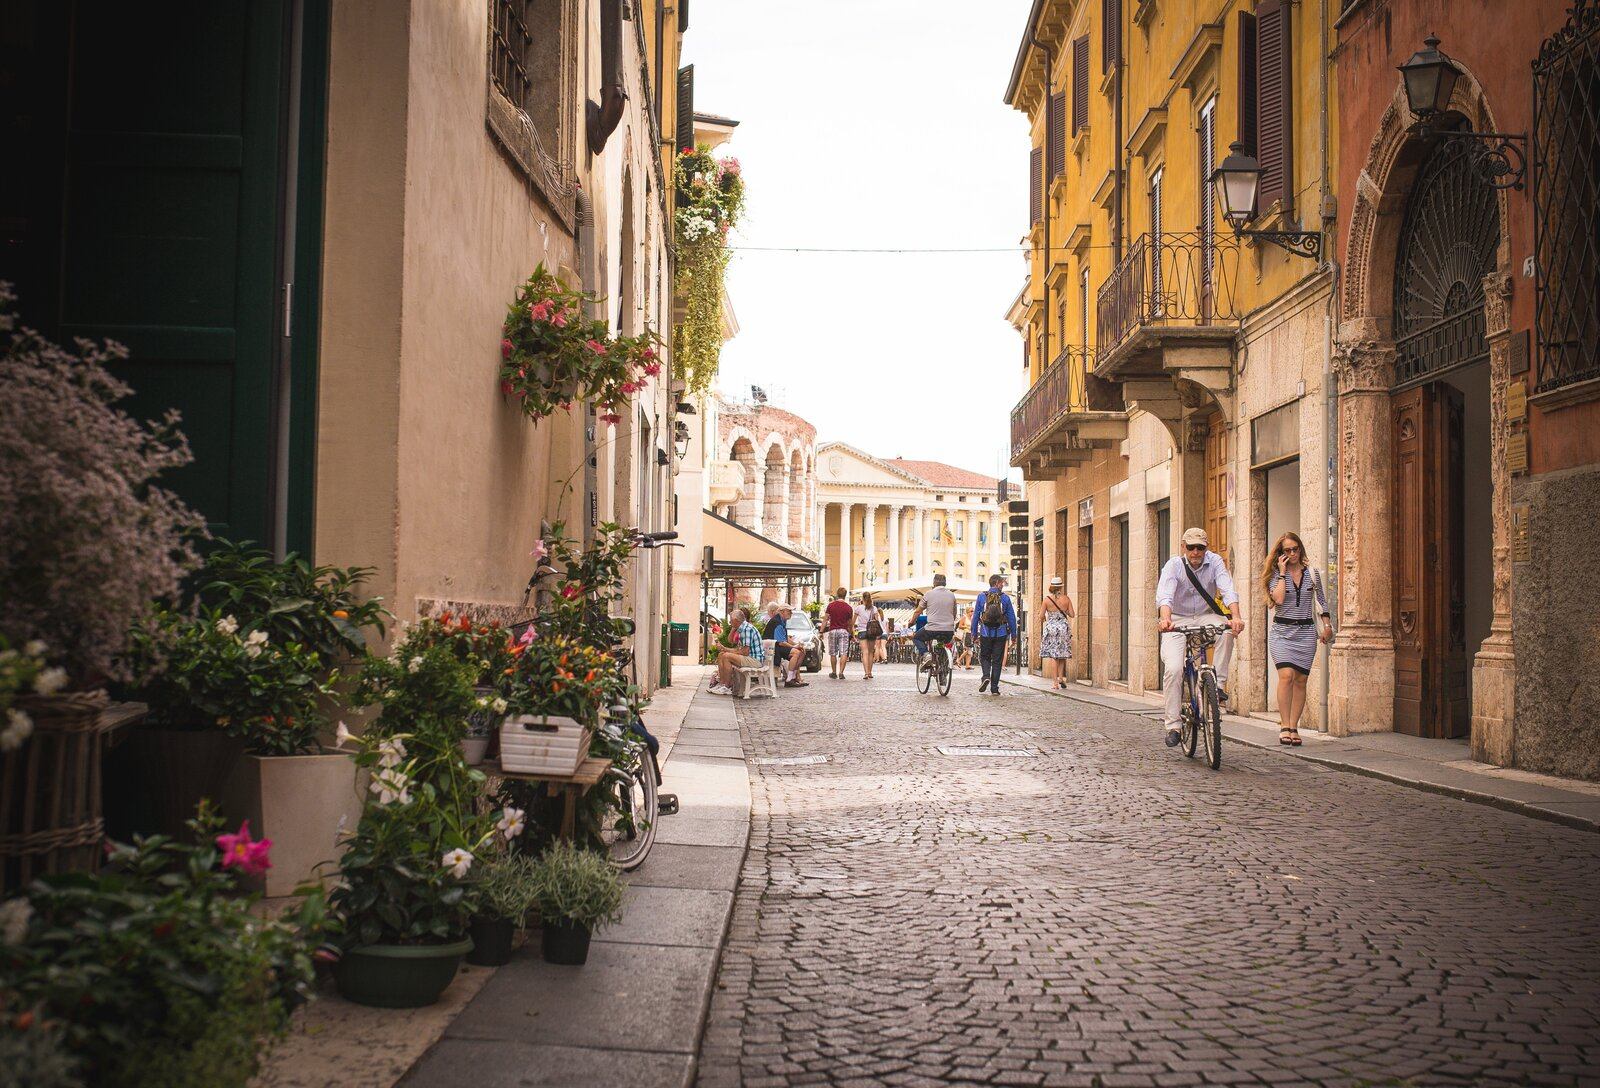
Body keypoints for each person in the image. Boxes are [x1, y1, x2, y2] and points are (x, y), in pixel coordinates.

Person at [1156, 528, 1244, 747]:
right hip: (1177, 619)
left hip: (1205, 616)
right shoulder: (1174, 566)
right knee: (1174, 669)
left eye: (1200, 548)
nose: (1196, 552)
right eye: (1191, 547)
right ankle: (1173, 725)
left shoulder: (1215, 562)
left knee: (1226, 629)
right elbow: (1165, 595)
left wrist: (1236, 617)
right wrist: (1166, 620)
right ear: (1183, 547)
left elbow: (1227, 589)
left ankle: (1219, 685)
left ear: (1207, 548)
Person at [1263, 532, 1332, 746]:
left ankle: (1294, 727)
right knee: (1286, 676)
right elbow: (1280, 599)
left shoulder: (1312, 573)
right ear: (1280, 554)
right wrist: (1283, 573)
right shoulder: (1275, 575)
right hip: (1282, 633)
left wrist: (1327, 626)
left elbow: (1321, 601)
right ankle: (1284, 725)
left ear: (1300, 549)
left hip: (1306, 633)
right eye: (1287, 550)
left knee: (1301, 680)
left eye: (1295, 549)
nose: (1292, 553)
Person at [971, 574, 1017, 696]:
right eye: (1001, 583)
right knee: (997, 660)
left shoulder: (981, 597)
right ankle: (994, 688)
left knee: (984, 657)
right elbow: (1011, 618)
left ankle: (986, 676)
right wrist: (1014, 635)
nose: (1003, 585)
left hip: (985, 632)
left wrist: (974, 633)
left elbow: (976, 616)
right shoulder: (1005, 598)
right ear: (996, 583)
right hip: (1001, 633)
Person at [710, 608, 766, 696]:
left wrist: (727, 651)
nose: (730, 623)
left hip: (755, 660)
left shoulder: (746, 629)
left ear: (736, 620)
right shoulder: (742, 628)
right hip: (750, 657)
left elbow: (744, 652)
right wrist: (724, 649)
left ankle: (727, 687)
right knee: (722, 654)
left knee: (726, 656)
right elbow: (739, 649)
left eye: (731, 621)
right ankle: (722, 684)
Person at [911, 574, 959, 663]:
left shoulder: (929, 594)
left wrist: (911, 622)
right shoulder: (951, 595)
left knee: (917, 638)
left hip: (932, 629)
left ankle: (926, 654)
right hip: (948, 631)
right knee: (941, 643)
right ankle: (942, 664)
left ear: (934, 582)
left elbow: (917, 611)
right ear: (945, 583)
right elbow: (954, 613)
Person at [1039, 576, 1076, 690]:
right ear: (1061, 587)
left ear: (1051, 587)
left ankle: (1055, 683)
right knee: (1062, 654)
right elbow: (1072, 614)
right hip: (1063, 628)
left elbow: (1041, 616)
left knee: (1054, 656)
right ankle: (1061, 678)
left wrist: (1047, 619)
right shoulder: (1066, 599)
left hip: (1051, 629)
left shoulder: (1046, 600)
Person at [764, 602, 810, 688]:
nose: (791, 613)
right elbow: (781, 642)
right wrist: (794, 646)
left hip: (776, 646)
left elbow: (784, 638)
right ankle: (789, 680)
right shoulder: (777, 622)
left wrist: (797, 644)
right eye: (789, 611)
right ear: (782, 611)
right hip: (773, 649)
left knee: (801, 651)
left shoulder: (781, 621)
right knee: (796, 653)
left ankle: (793, 677)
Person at [822, 587, 854, 679]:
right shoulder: (848, 607)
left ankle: (833, 672)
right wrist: (852, 633)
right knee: (844, 652)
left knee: (833, 653)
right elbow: (850, 623)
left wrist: (821, 631)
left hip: (832, 630)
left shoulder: (831, 605)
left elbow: (825, 619)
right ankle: (841, 672)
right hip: (843, 631)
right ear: (845, 595)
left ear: (837, 594)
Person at [854, 591, 884, 680]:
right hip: (872, 631)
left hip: (862, 631)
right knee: (871, 652)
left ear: (862, 598)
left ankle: (866, 673)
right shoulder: (874, 608)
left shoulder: (858, 608)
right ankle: (870, 672)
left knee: (865, 652)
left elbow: (853, 621)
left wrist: (852, 630)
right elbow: (876, 621)